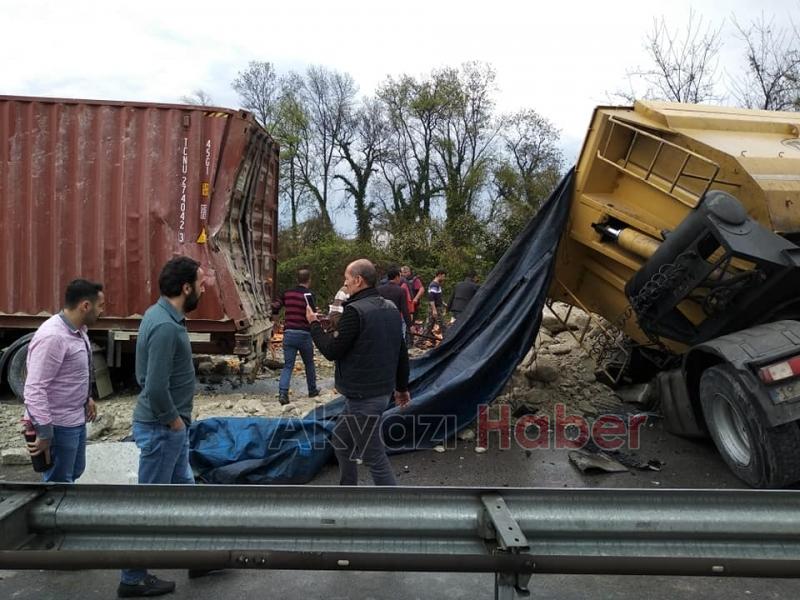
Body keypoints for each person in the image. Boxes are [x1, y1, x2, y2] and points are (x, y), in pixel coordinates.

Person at [118, 256, 206, 598]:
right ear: (185, 288)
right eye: (200, 282)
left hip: (170, 430)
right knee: (150, 508)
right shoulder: (166, 326)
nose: (204, 287)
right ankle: (131, 578)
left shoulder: (163, 316)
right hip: (162, 430)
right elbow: (153, 386)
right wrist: (173, 422)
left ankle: (200, 557)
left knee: (186, 498)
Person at [306, 259, 410, 486]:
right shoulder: (391, 309)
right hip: (378, 393)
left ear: (358, 280)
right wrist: (401, 388)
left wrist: (313, 324)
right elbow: (401, 351)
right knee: (341, 441)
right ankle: (348, 493)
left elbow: (332, 351)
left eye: (346, 281)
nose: (345, 286)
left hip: (365, 397)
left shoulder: (354, 311)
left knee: (374, 456)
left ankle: (397, 512)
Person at [23, 279, 104, 483]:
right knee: (59, 484)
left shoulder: (79, 331)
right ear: (85, 306)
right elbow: (34, 388)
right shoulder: (53, 337)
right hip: (57, 425)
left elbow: (74, 372)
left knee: (74, 472)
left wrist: (87, 397)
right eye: (100, 306)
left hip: (74, 418)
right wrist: (44, 432)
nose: (102, 311)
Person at [271, 268, 321, 405]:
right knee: (309, 363)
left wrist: (274, 319)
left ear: (297, 279)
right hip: (304, 333)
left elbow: (275, 307)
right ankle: (312, 390)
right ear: (309, 280)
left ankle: (283, 393)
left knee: (288, 365)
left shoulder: (287, 293)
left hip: (289, 333)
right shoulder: (309, 295)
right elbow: (312, 313)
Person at [377, 266, 412, 340]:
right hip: (395, 319)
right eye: (400, 277)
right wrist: (410, 324)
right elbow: (404, 309)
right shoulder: (401, 291)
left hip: (381, 319)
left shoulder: (379, 289)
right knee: (396, 339)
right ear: (396, 277)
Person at [423, 269, 448, 339]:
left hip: (437, 307)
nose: (444, 278)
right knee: (443, 325)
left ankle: (420, 341)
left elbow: (437, 297)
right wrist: (434, 310)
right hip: (436, 308)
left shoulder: (437, 285)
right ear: (439, 275)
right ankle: (447, 340)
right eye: (443, 276)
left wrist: (443, 304)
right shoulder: (434, 285)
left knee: (429, 326)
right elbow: (431, 298)